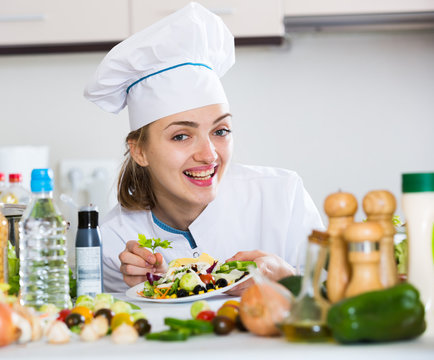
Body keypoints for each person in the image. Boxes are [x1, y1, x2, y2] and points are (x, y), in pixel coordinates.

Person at [84, 2, 323, 294]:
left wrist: (288, 281)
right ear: (139, 151)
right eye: (181, 136)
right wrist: (141, 290)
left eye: (220, 131)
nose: (209, 155)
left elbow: (334, 301)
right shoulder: (114, 241)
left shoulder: (283, 198)